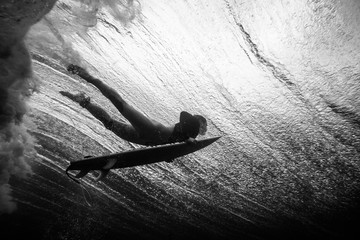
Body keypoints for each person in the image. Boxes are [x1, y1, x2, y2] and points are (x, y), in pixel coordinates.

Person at [60, 64, 207, 146]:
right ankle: (88, 77)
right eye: (203, 126)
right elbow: (184, 121)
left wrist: (169, 154)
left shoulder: (189, 135)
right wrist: (189, 139)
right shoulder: (190, 129)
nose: (203, 129)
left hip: (146, 141)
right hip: (150, 130)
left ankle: (83, 101)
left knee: (109, 123)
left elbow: (175, 142)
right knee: (120, 103)